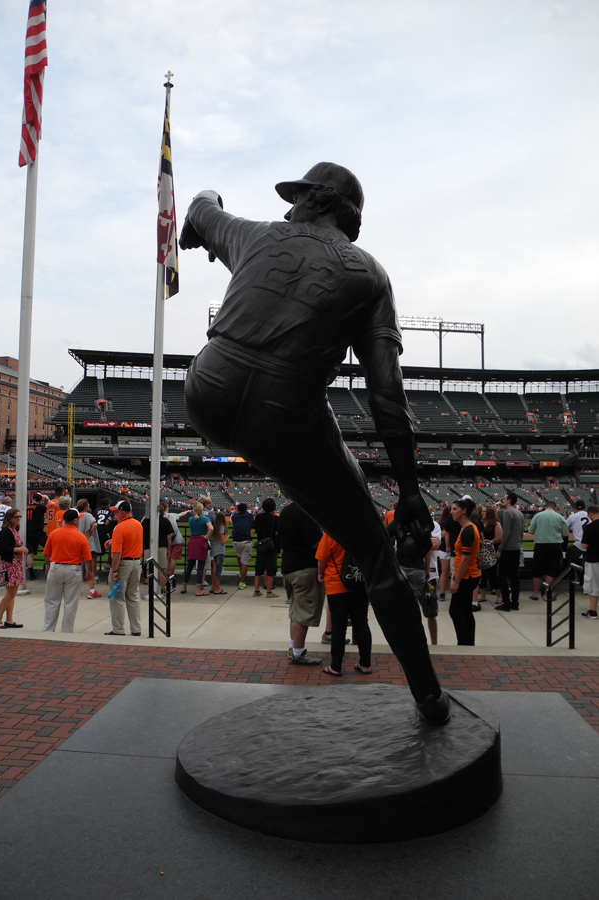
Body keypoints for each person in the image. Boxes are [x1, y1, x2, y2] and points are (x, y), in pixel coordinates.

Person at [179, 161, 447, 720]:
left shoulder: (254, 233)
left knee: (289, 461)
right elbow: (387, 398)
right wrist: (409, 490)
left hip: (207, 388)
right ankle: (429, 698)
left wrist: (196, 231)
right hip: (283, 411)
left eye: (297, 197)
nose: (288, 207)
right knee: (376, 552)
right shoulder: (369, 274)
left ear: (317, 201)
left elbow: (202, 202)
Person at [316, 532, 372, 676]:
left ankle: (336, 666)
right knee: (362, 623)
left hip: (337, 585)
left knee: (339, 627)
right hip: (360, 583)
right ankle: (365, 663)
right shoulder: (364, 534)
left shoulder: (331, 534)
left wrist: (320, 574)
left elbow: (322, 558)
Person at [278, 501, 323, 666]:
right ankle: (298, 652)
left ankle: (294, 648)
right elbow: (317, 543)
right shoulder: (305, 511)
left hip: (289, 567)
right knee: (303, 614)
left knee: (296, 612)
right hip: (304, 569)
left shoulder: (286, 511)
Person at [388, 519, 440, 646]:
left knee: (430, 612)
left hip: (429, 574)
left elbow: (435, 544)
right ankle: (412, 641)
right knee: (408, 610)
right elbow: (397, 549)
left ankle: (433, 644)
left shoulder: (431, 524)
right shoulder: (404, 526)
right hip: (415, 570)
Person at [42, 507, 93, 633]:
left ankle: (48, 630)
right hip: (73, 569)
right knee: (71, 603)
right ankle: (67, 631)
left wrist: (47, 566)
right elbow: (88, 558)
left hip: (56, 567)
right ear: (75, 521)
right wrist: (89, 572)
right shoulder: (80, 537)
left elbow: (46, 553)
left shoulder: (54, 533)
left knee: (52, 601)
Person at [105, 500, 144, 636]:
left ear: (122, 513)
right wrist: (113, 541)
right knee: (133, 596)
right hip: (136, 563)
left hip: (123, 564)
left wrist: (114, 570)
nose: (114, 514)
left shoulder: (119, 527)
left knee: (117, 597)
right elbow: (131, 540)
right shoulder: (138, 524)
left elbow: (117, 553)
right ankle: (136, 628)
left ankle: (118, 629)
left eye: (116, 512)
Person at [448, 498, 481, 646]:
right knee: (466, 611)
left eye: (455, 509)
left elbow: (465, 559)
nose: (451, 512)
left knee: (455, 611)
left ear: (464, 510)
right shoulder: (467, 528)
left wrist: (456, 581)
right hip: (468, 575)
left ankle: (463, 644)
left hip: (467, 576)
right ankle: (469, 643)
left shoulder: (468, 530)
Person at [525, 500, 569, 601]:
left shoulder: (538, 516)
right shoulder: (559, 517)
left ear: (546, 507)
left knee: (537, 570)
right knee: (551, 570)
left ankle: (535, 594)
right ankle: (546, 594)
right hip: (555, 545)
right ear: (555, 508)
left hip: (540, 545)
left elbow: (531, 531)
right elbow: (565, 533)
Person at [0, 507, 28, 628]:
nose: (18, 519)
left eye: (19, 516)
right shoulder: (6, 531)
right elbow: (3, 549)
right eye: (16, 517)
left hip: (16, 565)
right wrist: (19, 549)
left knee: (12, 593)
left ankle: (9, 619)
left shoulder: (14, 530)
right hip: (10, 565)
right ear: (9, 519)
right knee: (10, 594)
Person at [495, 491, 524, 611]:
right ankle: (515, 602)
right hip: (516, 548)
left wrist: (500, 549)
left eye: (505, 498)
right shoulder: (519, 513)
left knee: (502, 576)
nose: (503, 500)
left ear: (509, 500)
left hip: (507, 549)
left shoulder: (507, 513)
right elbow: (522, 532)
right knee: (515, 577)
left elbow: (505, 533)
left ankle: (506, 603)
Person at [180, 501, 213, 596]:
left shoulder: (190, 519)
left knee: (190, 565)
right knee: (201, 566)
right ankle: (198, 589)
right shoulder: (205, 519)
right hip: (201, 542)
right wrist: (206, 537)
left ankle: (184, 586)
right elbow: (211, 528)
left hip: (192, 541)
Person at [253, 498, 280, 598]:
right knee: (270, 568)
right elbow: (278, 530)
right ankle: (269, 591)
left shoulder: (258, 517)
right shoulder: (275, 518)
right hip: (271, 545)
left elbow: (254, 530)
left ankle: (256, 590)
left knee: (259, 567)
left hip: (260, 544)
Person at [76, 498, 102, 598]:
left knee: (77, 568)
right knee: (89, 569)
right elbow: (95, 524)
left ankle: (77, 590)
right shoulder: (88, 515)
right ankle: (91, 591)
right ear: (86, 507)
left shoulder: (77, 515)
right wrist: (90, 532)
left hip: (77, 543)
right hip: (88, 544)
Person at [477, 506, 502, 605]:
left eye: (484, 511)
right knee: (481, 574)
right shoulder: (480, 523)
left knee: (493, 574)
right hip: (481, 551)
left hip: (491, 550)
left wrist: (488, 542)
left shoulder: (495, 524)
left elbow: (499, 538)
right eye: (482, 511)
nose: (482, 513)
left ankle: (498, 596)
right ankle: (482, 596)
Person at [581, 505, 599, 619]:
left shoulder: (589, 527)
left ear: (590, 514)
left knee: (593, 585)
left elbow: (584, 545)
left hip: (593, 559)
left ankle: (593, 611)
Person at [231, 502, 254, 590]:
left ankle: (241, 573)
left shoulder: (234, 517)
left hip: (236, 540)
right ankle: (242, 582)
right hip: (246, 540)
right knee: (245, 562)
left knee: (239, 556)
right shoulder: (250, 516)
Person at [25, 492, 47, 581]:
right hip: (39, 533)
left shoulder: (27, 507)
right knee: (49, 549)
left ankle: (31, 574)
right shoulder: (41, 507)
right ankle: (46, 565)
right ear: (40, 500)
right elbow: (48, 508)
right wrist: (47, 499)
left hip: (29, 533)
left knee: (29, 554)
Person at [93, 498, 115, 574]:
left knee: (94, 555)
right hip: (105, 533)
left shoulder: (96, 510)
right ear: (108, 504)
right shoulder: (110, 510)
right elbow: (107, 522)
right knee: (111, 550)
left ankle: (94, 574)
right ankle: (109, 567)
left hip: (97, 532)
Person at [567, 500, 590, 571]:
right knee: (587, 564)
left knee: (569, 558)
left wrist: (572, 528)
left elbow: (565, 528)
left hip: (578, 544)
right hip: (590, 545)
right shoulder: (590, 515)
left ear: (575, 508)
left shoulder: (573, 516)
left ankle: (575, 575)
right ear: (585, 507)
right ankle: (584, 577)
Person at [209, 510, 228, 595]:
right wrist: (227, 537)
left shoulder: (213, 527)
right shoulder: (222, 528)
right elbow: (223, 541)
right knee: (218, 570)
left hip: (213, 550)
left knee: (215, 569)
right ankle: (217, 588)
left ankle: (213, 587)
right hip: (219, 550)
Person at [164, 505, 184, 582]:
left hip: (168, 540)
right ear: (166, 509)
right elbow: (181, 514)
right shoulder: (171, 515)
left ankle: (165, 576)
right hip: (177, 539)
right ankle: (171, 577)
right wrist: (187, 511)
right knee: (173, 559)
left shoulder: (160, 517)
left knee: (169, 559)